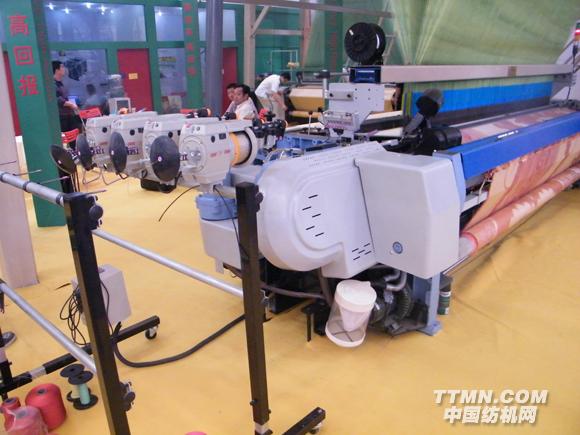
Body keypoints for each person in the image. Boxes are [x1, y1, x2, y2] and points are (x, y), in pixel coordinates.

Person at [53, 61, 83, 149]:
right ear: (57, 70)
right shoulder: (53, 84)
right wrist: (71, 104)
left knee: (75, 137)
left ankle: (76, 152)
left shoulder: (61, 83)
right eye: (62, 67)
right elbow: (58, 100)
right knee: (65, 139)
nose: (64, 69)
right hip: (62, 117)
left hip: (69, 114)